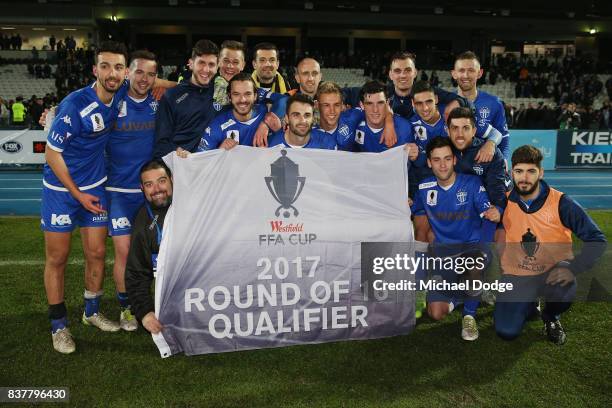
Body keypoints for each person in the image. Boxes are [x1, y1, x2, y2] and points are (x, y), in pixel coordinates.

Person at [42, 41, 130, 354]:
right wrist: (77, 194)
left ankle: (91, 312)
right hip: (62, 191)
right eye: (105, 66)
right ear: (95, 70)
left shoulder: (120, 89)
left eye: (118, 67)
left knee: (96, 253)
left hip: (95, 186)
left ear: (125, 71)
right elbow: (53, 155)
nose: (112, 73)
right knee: (58, 258)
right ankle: (58, 325)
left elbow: (154, 81)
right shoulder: (75, 105)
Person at [494, 145, 606, 345]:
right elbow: (498, 229)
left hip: (553, 271)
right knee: (506, 331)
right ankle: (529, 304)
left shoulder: (562, 203)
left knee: (564, 288)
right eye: (519, 171)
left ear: (541, 172)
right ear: (512, 172)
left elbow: (597, 239)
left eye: (531, 171)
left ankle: (551, 317)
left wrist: (574, 267)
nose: (524, 178)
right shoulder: (506, 201)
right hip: (518, 272)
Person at [412, 136, 500, 340]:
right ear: (429, 162)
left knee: (473, 264)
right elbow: (421, 233)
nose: (442, 165)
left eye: (447, 158)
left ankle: (469, 316)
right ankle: (465, 295)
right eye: (436, 160)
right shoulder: (424, 189)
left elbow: (489, 218)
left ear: (454, 160)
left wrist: (482, 250)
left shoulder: (471, 184)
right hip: (446, 257)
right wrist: (419, 281)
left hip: (471, 249)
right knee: (435, 312)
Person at [105, 50, 159, 332]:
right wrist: (51, 114)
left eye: (151, 74)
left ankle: (155, 303)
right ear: (128, 72)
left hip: (149, 193)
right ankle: (127, 307)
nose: (145, 79)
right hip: (118, 192)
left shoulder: (157, 103)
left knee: (156, 254)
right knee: (124, 253)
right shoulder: (113, 101)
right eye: (139, 72)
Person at [125, 160, 174, 335]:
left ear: (172, 180)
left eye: (162, 181)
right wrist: (145, 313)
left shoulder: (194, 206)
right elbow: (136, 274)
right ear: (142, 189)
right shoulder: (143, 222)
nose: (157, 189)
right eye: (149, 184)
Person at [153, 39, 219, 158]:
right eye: (201, 63)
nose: (206, 70)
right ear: (191, 63)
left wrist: (265, 124)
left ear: (217, 67)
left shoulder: (221, 93)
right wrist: (178, 151)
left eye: (211, 64)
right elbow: (161, 142)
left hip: (210, 167)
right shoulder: (172, 96)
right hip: (180, 165)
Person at [451, 51, 510, 159]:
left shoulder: (494, 103)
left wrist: (504, 160)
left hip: (484, 166)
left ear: (480, 73)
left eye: (471, 70)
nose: (466, 75)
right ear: (454, 74)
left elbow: (504, 136)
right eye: (461, 70)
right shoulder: (446, 104)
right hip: (454, 168)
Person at [196, 73, 267, 151]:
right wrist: (220, 150)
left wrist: (265, 124)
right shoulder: (217, 126)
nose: (242, 100)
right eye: (236, 94)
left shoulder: (265, 111)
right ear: (229, 97)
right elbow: (201, 159)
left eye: (247, 94)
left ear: (255, 96)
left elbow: (282, 100)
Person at [267, 94, 337, 150]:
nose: (303, 120)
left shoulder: (327, 143)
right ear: (287, 118)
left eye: (307, 115)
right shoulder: (271, 145)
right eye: (296, 115)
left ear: (313, 118)